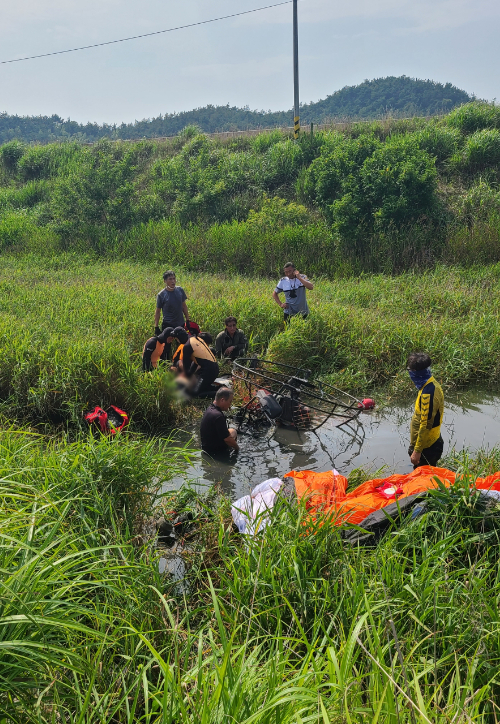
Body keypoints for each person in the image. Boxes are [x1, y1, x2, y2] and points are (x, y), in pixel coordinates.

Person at [407, 352, 444, 469]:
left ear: (417, 373)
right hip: (429, 443)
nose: (410, 374)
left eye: (411, 371)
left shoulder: (428, 393)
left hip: (427, 448)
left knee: (423, 481)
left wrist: (417, 451)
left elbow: (426, 424)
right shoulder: (430, 383)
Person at [172, 326, 220, 396]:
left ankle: (221, 394)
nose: (177, 341)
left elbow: (186, 368)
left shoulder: (187, 346)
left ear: (179, 338)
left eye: (177, 339)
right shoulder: (195, 339)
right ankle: (218, 388)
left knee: (194, 393)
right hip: (214, 368)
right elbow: (195, 362)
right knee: (199, 387)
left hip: (208, 371)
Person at [154, 271, 190, 359]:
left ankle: (180, 364)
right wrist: (156, 326)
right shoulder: (161, 295)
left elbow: (184, 305)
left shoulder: (180, 290)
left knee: (182, 346)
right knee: (166, 348)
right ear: (165, 281)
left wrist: (188, 320)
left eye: (174, 278)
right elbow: (158, 311)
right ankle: (165, 365)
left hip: (180, 323)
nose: (173, 281)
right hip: (167, 325)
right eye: (170, 279)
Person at [200, 387, 238, 454]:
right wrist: (237, 448)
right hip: (215, 451)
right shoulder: (218, 416)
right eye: (230, 401)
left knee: (232, 431)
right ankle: (231, 453)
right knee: (233, 433)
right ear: (222, 400)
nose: (230, 405)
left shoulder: (210, 409)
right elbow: (227, 439)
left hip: (205, 447)